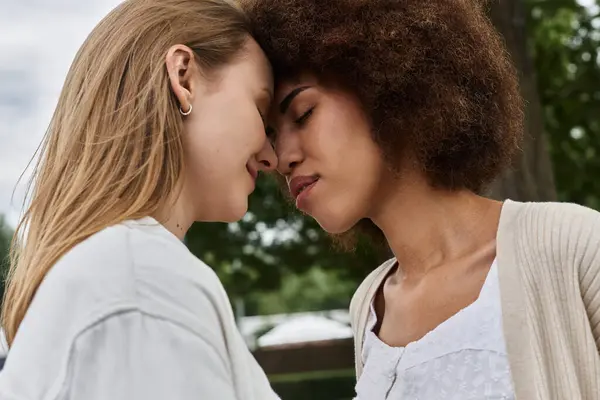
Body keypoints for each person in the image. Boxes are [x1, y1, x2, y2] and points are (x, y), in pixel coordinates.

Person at [242, 0, 600, 398]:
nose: (281, 158)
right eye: (271, 136)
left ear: (385, 83)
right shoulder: (369, 306)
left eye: (304, 113)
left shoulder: (573, 247)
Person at [0, 1, 280, 399]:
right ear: (183, 75)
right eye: (260, 107)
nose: (271, 156)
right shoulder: (142, 285)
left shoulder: (120, 272)